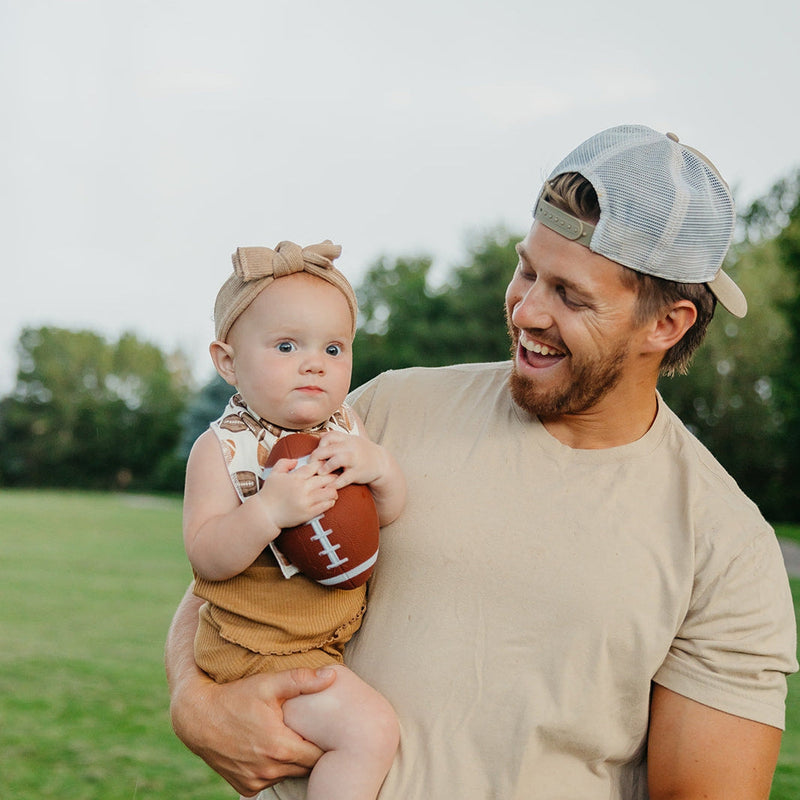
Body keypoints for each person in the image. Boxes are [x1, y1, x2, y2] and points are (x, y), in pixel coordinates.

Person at [167, 126, 798, 799]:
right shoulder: (381, 412)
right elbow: (225, 580)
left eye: (570, 295)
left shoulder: (727, 549)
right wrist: (194, 701)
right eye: (527, 269)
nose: (526, 311)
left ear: (665, 325)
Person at [181, 239, 405, 800]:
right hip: (255, 647)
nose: (314, 363)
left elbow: (389, 515)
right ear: (227, 361)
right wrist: (267, 510)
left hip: (322, 637)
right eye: (286, 345)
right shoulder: (222, 450)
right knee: (369, 730)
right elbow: (206, 556)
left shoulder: (345, 428)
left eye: (334, 349)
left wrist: (378, 469)